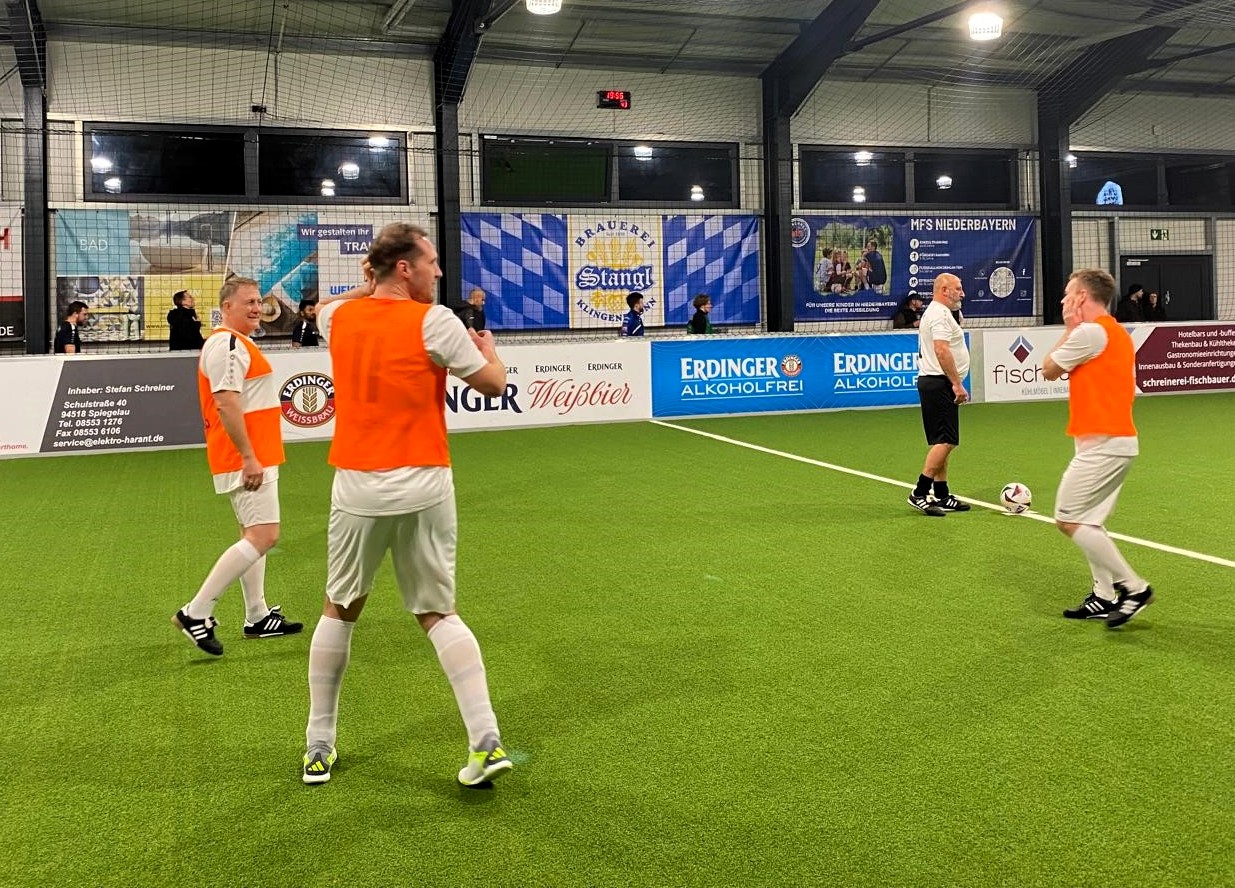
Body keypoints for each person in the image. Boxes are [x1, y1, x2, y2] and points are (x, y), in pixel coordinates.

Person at [302, 223, 513, 789]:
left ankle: (318, 746)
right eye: (431, 262)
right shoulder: (436, 321)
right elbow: (493, 386)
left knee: (339, 608)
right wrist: (493, 353)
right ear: (405, 267)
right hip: (426, 482)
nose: (439, 272)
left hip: (358, 487)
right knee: (438, 612)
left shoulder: (339, 318)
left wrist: (365, 284)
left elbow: (324, 305)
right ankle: (484, 741)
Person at [172, 275, 372, 657]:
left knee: (253, 534)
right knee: (264, 536)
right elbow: (226, 403)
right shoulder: (227, 345)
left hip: (256, 454)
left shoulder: (237, 343)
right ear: (225, 307)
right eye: (247, 302)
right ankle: (196, 611)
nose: (255, 308)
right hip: (245, 456)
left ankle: (257, 616)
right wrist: (249, 457)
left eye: (257, 302)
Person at [1043, 269, 1153, 627]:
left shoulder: (1090, 332)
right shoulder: (1114, 332)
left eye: (1068, 294)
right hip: (1110, 441)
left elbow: (1048, 369)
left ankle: (1134, 588)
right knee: (1089, 521)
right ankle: (1104, 596)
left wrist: (1069, 326)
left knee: (1068, 518)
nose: (1063, 300)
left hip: (1104, 444)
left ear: (1082, 298)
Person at [907, 273, 971, 517]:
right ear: (944, 290)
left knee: (942, 440)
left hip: (936, 382)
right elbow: (941, 349)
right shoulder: (938, 315)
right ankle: (920, 492)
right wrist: (956, 384)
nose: (962, 293)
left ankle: (942, 494)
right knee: (947, 441)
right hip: (939, 383)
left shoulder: (941, 313)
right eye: (958, 287)